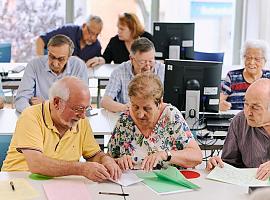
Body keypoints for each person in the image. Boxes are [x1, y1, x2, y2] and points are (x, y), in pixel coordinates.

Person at [2, 77, 121, 182]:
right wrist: (82, 168)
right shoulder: (31, 116)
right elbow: (37, 164)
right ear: (57, 102)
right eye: (78, 108)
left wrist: (106, 159)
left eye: (86, 108)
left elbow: (94, 154)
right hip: (18, 183)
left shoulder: (80, 120)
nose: (83, 115)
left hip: (58, 186)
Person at [107, 73, 202, 171]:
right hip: (132, 183)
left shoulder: (171, 116)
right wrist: (119, 161)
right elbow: (107, 159)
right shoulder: (125, 120)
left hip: (168, 183)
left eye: (147, 108)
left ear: (159, 103)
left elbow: (197, 156)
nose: (140, 114)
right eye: (135, 107)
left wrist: (166, 155)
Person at [207, 78, 270, 181]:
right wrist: (218, 167)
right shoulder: (240, 121)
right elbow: (230, 163)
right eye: (246, 104)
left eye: (255, 107)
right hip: (251, 189)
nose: (248, 112)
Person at [15, 34, 89, 113]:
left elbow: (82, 103)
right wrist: (33, 115)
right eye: (52, 57)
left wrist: (47, 105)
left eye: (61, 59)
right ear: (48, 52)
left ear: (69, 57)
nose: (55, 63)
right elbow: (21, 99)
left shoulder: (79, 66)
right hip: (39, 117)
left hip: (68, 120)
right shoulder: (34, 65)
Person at [100, 37, 164, 113]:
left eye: (151, 61)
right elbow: (105, 101)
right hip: (129, 117)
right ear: (131, 59)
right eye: (142, 62)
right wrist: (124, 108)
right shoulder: (119, 71)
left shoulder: (163, 70)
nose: (148, 66)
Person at [87, 12, 153, 67]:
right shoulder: (115, 41)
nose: (118, 31)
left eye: (122, 29)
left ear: (132, 29)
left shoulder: (147, 38)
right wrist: (98, 60)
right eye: (118, 28)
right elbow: (105, 58)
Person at [220, 40, 270, 111]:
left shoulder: (268, 77)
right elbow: (218, 101)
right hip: (236, 119)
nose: (252, 62)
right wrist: (220, 105)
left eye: (257, 59)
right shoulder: (232, 76)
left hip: (262, 120)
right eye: (248, 58)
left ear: (265, 61)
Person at [36, 15, 103, 64]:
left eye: (96, 34)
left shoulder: (96, 47)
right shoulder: (68, 31)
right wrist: (41, 64)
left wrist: (99, 60)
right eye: (91, 33)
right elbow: (40, 40)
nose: (93, 38)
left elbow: (101, 62)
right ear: (84, 26)